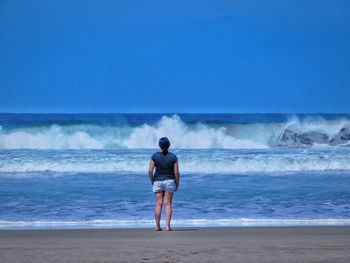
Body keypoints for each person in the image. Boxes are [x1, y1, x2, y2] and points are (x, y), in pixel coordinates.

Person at [148, 137, 180, 231]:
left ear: (159, 146)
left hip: (157, 181)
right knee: (168, 204)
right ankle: (167, 226)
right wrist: (177, 183)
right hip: (169, 181)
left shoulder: (154, 156)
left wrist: (152, 181)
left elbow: (150, 171)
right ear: (169, 145)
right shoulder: (173, 157)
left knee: (158, 204)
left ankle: (157, 226)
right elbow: (176, 173)